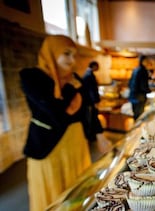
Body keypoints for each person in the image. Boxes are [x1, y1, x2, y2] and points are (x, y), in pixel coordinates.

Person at [19, 35, 107, 211]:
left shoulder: (74, 79)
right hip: (48, 147)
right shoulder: (32, 77)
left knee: (78, 192)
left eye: (74, 55)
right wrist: (71, 88)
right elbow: (53, 110)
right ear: (51, 53)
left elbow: (88, 108)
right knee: (54, 194)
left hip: (76, 144)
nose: (72, 60)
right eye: (66, 54)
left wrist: (100, 135)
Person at [80, 61, 112, 152]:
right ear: (93, 66)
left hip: (89, 102)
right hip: (90, 102)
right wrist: (96, 101)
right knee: (92, 119)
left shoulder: (87, 74)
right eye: (97, 66)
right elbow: (91, 90)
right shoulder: (89, 75)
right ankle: (93, 138)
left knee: (93, 119)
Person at [128, 55, 151, 119]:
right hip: (139, 97)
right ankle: (138, 129)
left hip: (133, 96)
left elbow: (129, 83)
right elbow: (143, 86)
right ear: (143, 61)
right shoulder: (143, 71)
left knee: (135, 115)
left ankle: (135, 127)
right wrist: (150, 91)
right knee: (140, 116)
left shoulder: (135, 70)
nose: (148, 62)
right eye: (147, 61)